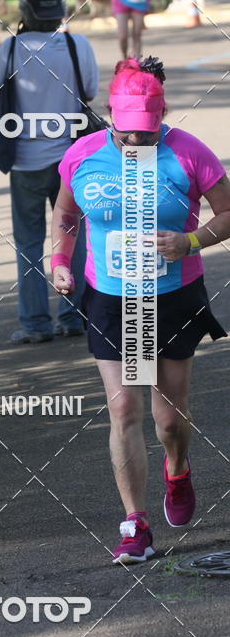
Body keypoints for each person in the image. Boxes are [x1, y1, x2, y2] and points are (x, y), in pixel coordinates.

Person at [51, 57, 230, 565]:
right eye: (126, 135)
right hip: (110, 297)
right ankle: (135, 523)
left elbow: (228, 212)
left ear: (162, 119)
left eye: (146, 136)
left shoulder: (190, 154)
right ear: (110, 115)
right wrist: (60, 260)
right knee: (124, 407)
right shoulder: (82, 155)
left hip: (172, 297)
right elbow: (65, 214)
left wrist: (191, 240)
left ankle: (178, 466)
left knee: (168, 419)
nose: (135, 145)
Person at [0, 0, 98, 344]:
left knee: (29, 243)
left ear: (25, 11)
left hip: (26, 163)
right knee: (72, 238)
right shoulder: (78, 46)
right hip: (71, 161)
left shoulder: (11, 49)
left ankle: (35, 324)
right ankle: (74, 315)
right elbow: (90, 93)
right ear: (60, 10)